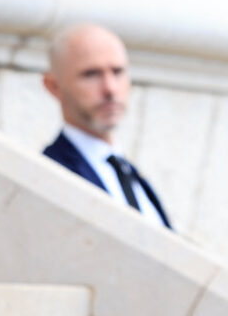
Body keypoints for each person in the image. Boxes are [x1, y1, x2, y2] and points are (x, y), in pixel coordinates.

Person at [42, 23, 171, 229]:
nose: (110, 89)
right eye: (91, 74)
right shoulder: (50, 176)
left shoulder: (130, 173)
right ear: (54, 86)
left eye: (118, 72)